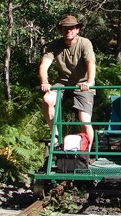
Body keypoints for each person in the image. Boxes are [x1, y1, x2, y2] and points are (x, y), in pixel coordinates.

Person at [39, 14, 96, 151]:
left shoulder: (84, 43)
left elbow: (91, 63)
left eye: (71, 28)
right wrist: (45, 82)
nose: (68, 31)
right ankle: (56, 136)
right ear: (60, 30)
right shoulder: (55, 45)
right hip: (63, 83)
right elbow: (43, 66)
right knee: (47, 99)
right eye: (65, 28)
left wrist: (89, 81)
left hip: (82, 84)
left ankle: (85, 154)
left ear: (77, 29)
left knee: (85, 121)